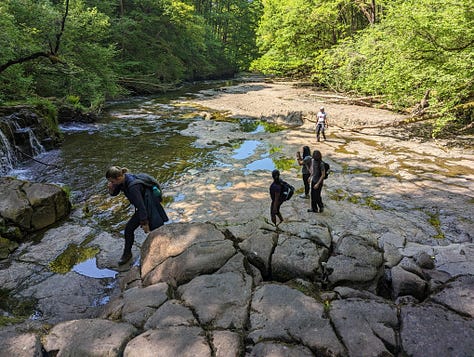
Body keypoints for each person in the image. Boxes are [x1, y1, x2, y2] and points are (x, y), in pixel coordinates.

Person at [106, 166, 167, 265]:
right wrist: (111, 189)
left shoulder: (133, 186)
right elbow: (115, 192)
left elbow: (141, 206)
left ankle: (162, 251)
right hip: (144, 205)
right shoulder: (122, 179)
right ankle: (127, 254)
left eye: (112, 181)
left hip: (148, 205)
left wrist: (145, 223)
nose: (111, 183)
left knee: (151, 229)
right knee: (148, 229)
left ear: (118, 178)